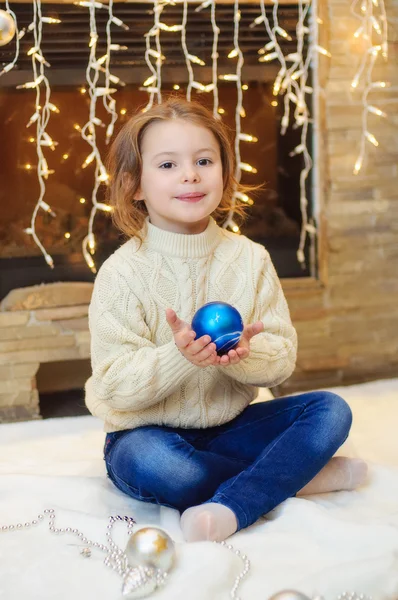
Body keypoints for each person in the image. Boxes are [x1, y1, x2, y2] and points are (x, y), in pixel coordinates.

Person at [85, 97, 368, 543]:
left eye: (203, 160)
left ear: (225, 173)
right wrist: (182, 357)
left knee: (331, 411)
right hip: (146, 435)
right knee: (161, 467)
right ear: (134, 185)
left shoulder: (250, 259)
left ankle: (236, 500)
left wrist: (241, 355)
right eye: (167, 165)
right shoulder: (122, 273)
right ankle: (293, 478)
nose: (190, 175)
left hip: (233, 428)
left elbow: (281, 360)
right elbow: (114, 384)